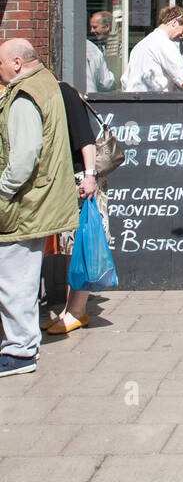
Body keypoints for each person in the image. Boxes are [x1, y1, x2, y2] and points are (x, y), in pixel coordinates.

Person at [0, 39, 80, 377]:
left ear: (17, 63)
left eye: (1, 62)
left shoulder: (24, 97)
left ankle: (19, 352)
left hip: (23, 204)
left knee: (15, 278)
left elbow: (24, 156)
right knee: (21, 276)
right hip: (37, 201)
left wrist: (2, 190)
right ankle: (20, 345)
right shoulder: (47, 83)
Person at [43, 82, 103, 336]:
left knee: (81, 244)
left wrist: (89, 176)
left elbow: (85, 137)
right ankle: (71, 309)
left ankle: (77, 310)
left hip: (80, 179)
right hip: (67, 178)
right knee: (71, 247)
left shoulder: (63, 92)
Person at [121, 7, 183, 99]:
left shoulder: (141, 44)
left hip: (132, 103)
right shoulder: (164, 43)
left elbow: (125, 80)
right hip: (152, 105)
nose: (182, 35)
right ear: (174, 22)